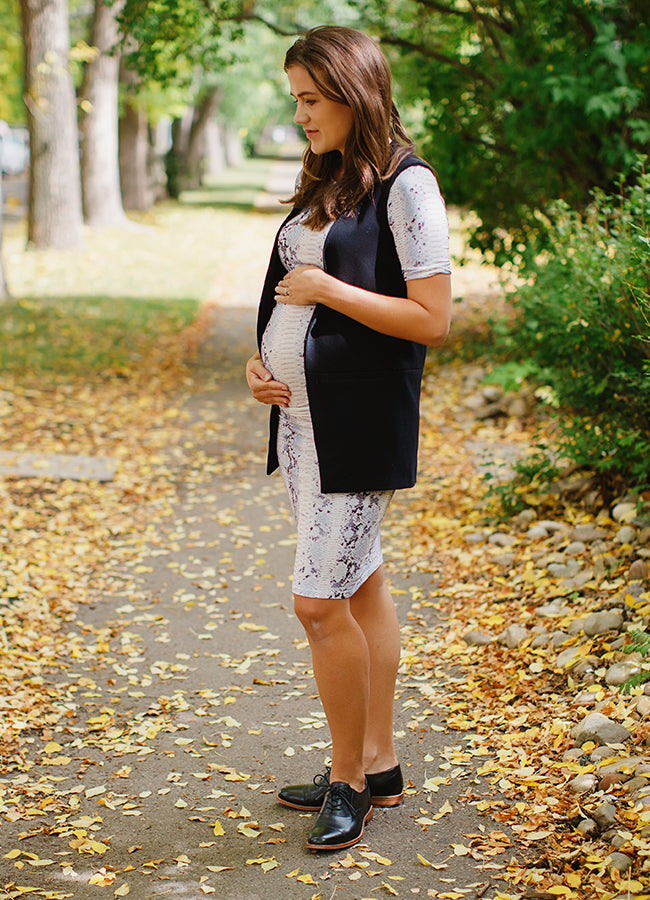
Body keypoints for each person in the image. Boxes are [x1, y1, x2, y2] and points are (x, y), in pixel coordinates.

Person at [246, 25, 451, 851]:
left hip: (357, 427)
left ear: (352, 93)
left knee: (318, 603)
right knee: (361, 588)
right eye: (294, 99)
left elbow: (431, 319)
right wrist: (259, 365)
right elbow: (284, 290)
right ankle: (380, 763)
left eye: (311, 99)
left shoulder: (408, 186)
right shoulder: (330, 176)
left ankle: (350, 783)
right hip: (301, 425)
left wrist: (328, 289)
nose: (300, 114)